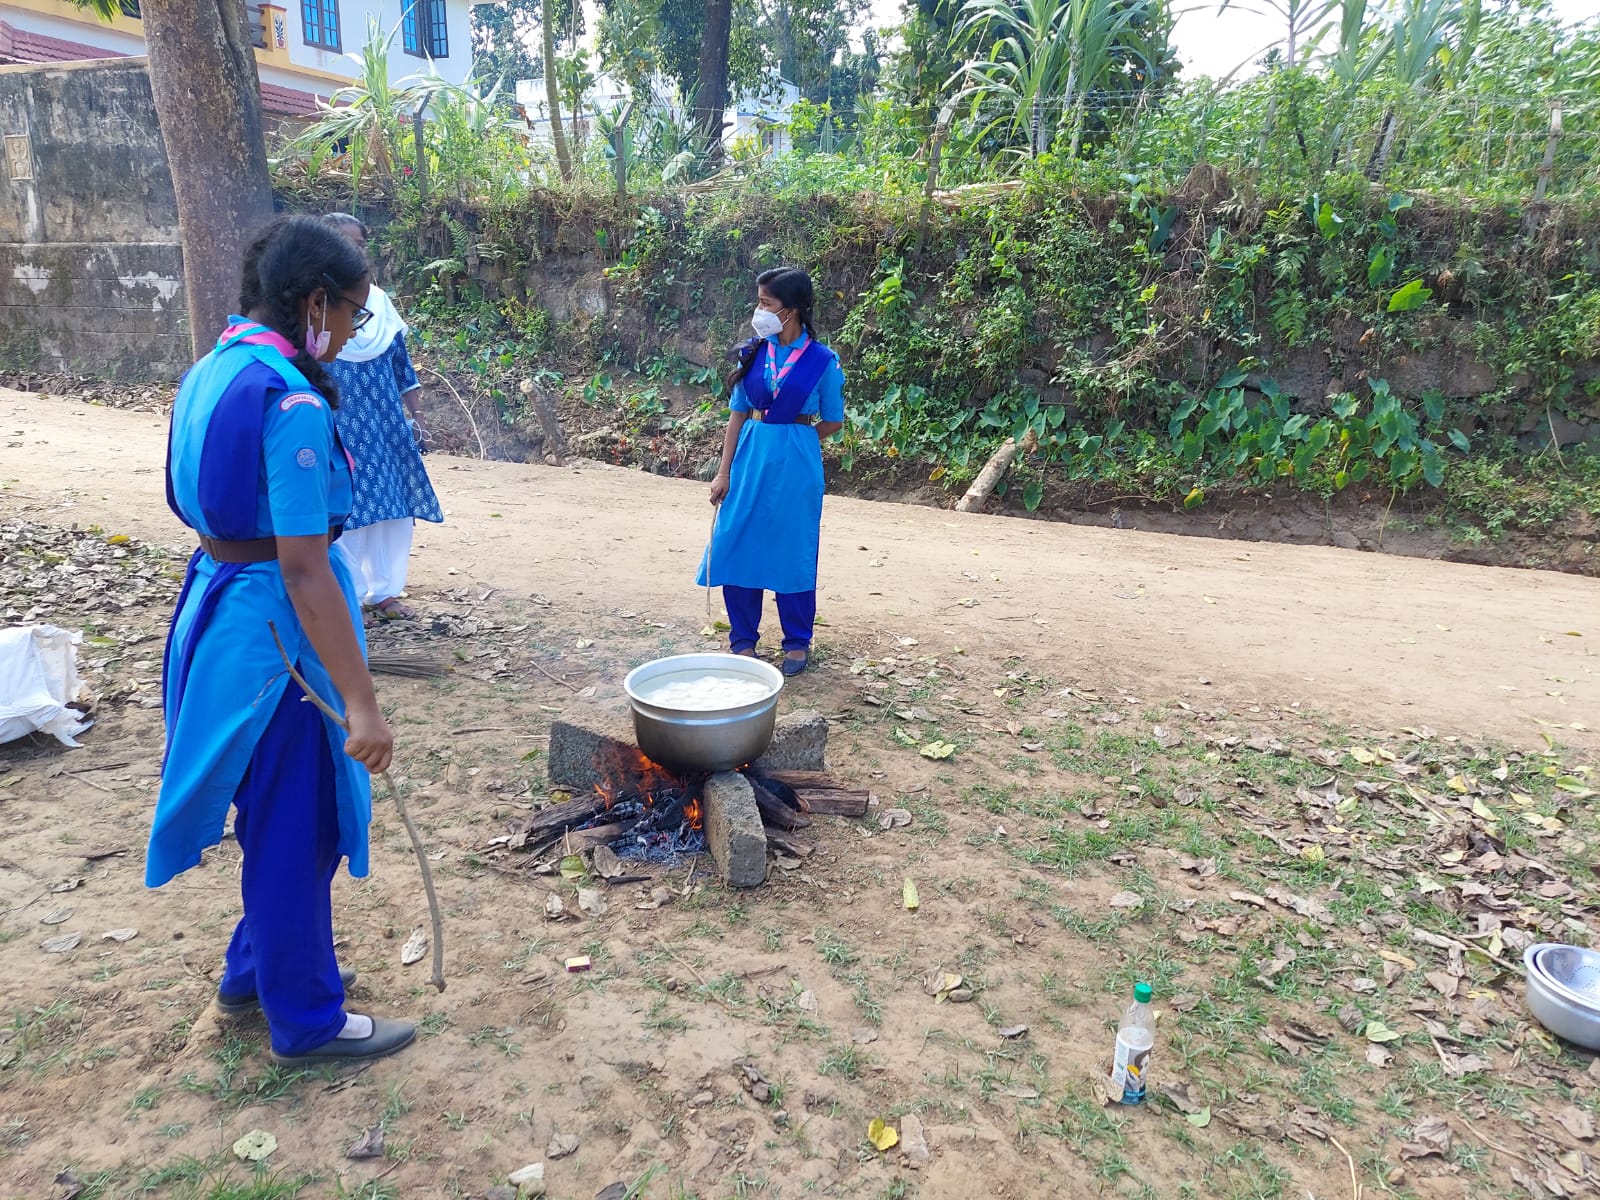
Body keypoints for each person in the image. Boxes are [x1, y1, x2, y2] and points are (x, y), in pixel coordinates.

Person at [147, 214, 414, 1067]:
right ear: (314, 303)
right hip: (277, 636)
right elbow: (303, 568)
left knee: (270, 811)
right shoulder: (292, 401)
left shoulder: (214, 368)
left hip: (218, 610)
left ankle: (253, 969)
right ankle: (306, 1019)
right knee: (302, 820)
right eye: (352, 313)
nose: (352, 331)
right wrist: (362, 704)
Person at [697, 267, 845, 676]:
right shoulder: (753, 353)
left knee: (792, 548)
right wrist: (723, 472)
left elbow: (833, 419)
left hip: (796, 466)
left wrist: (799, 437)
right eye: (759, 302)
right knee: (738, 541)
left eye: (766, 303)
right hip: (749, 458)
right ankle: (742, 640)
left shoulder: (823, 362)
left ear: (791, 310)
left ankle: (797, 642)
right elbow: (737, 415)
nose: (758, 311)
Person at [322, 212, 442, 622]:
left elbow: (402, 367)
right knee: (347, 508)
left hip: (385, 423)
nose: (355, 250)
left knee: (393, 508)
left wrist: (417, 416)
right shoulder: (317, 304)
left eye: (360, 243)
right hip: (340, 425)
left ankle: (385, 593)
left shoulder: (378, 302)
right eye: (346, 242)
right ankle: (347, 595)